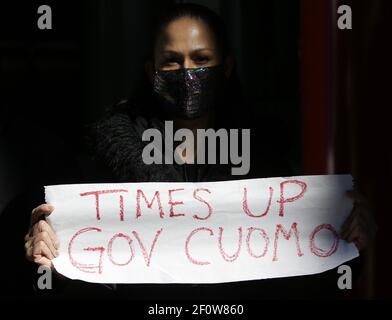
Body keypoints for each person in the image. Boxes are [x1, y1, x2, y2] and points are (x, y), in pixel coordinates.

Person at [24, 3, 376, 299]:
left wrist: (348, 248)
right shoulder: (104, 162)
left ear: (228, 67)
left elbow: (302, 282)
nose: (188, 72)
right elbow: (86, 277)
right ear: (152, 72)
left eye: (201, 58)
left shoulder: (270, 162)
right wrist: (48, 260)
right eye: (172, 61)